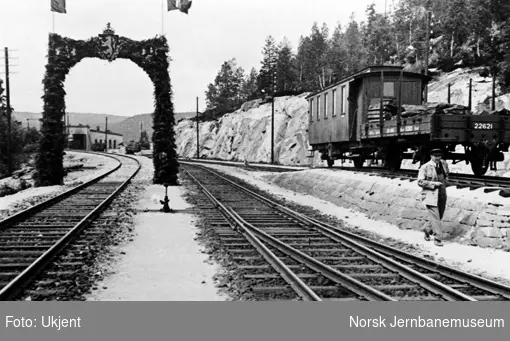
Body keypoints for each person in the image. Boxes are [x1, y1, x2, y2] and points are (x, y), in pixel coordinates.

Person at [417, 148, 449, 246]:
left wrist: (445, 182)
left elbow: (446, 174)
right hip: (430, 195)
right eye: (436, 156)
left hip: (442, 193)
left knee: (440, 215)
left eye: (439, 156)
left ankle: (427, 229)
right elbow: (420, 182)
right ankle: (438, 238)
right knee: (435, 217)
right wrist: (434, 184)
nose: (438, 158)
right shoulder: (425, 167)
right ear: (431, 156)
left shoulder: (444, 164)